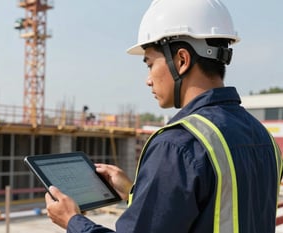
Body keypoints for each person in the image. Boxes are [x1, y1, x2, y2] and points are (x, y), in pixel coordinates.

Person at [44, 0, 283, 232]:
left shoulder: (178, 145)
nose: (148, 79)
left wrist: (73, 221)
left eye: (149, 64)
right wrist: (134, 191)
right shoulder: (263, 137)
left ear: (181, 60)